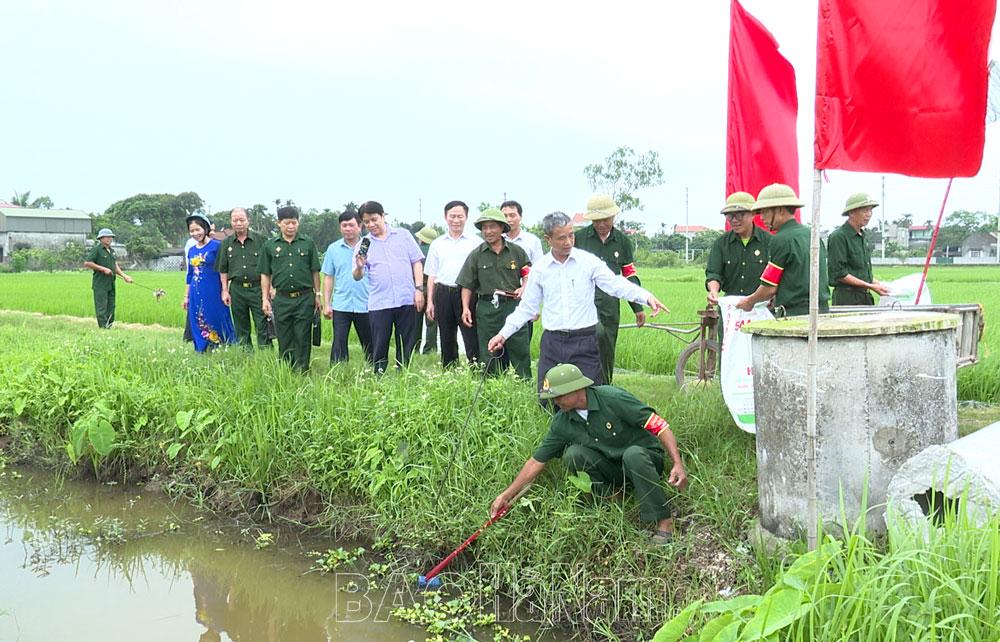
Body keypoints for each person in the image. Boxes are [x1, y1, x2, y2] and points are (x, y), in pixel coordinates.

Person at [490, 363, 688, 544]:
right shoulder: (562, 421)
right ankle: (612, 500)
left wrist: (677, 464)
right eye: (553, 398)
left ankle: (664, 522)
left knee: (633, 454)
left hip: (643, 462)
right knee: (573, 455)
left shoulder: (613, 398)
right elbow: (536, 461)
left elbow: (659, 426)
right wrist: (507, 494)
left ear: (577, 389)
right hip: (612, 468)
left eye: (559, 396)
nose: (556, 402)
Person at [487, 212, 668, 394]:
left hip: (585, 340)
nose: (568, 242)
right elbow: (527, 308)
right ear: (548, 239)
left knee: (589, 397)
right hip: (553, 342)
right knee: (548, 397)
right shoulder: (540, 269)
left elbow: (615, 284)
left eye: (571, 235)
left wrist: (646, 297)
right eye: (561, 238)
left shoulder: (587, 262)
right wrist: (503, 335)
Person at [574, 194, 645, 384]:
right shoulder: (578, 239)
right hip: (583, 302)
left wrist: (637, 307)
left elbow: (629, 275)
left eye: (605, 219)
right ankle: (581, 385)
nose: (601, 224)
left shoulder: (622, 241)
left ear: (613, 217)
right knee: (589, 339)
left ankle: (604, 386)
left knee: (607, 346)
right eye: (596, 220)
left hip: (610, 304)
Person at [457, 208, 532, 379]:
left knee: (520, 348)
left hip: (513, 306)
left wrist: (524, 287)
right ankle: (492, 386)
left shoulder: (516, 251)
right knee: (489, 351)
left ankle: (525, 384)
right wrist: (465, 308)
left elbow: (528, 271)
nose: (488, 231)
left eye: (492, 227)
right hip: (487, 308)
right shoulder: (476, 255)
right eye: (484, 228)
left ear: (502, 228)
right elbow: (467, 285)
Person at [352, 201, 426, 374]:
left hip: (405, 299)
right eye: (366, 222)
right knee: (380, 343)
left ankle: (404, 374)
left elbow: (416, 262)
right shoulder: (364, 244)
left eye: (374, 219)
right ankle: (379, 374)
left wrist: (419, 289)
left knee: (405, 342)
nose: (371, 225)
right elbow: (356, 277)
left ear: (383, 216)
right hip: (379, 302)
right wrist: (360, 266)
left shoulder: (403, 235)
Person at [736, 183, 829, 317]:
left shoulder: (780, 240)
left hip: (794, 315)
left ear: (780, 210)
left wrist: (749, 301)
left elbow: (769, 288)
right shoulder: (813, 235)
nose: (761, 218)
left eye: (765, 212)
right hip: (821, 312)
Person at [259, 206, 322, 371]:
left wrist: (318, 294)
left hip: (305, 297)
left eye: (294, 223)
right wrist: (265, 299)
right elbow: (265, 274)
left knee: (303, 335)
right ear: (278, 223)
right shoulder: (270, 246)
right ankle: (287, 368)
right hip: (281, 298)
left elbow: (314, 270)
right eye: (287, 223)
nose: (291, 227)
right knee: (284, 335)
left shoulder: (307, 243)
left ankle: (302, 368)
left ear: (298, 223)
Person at [425, 200, 481, 368]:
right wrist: (430, 302)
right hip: (443, 293)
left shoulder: (475, 242)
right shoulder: (437, 243)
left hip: (468, 292)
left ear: (466, 217)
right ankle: (449, 369)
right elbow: (432, 275)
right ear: (445, 217)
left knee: (470, 333)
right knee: (446, 334)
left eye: (460, 216)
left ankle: (476, 368)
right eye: (452, 216)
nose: (456, 220)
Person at [321, 209, 372, 364]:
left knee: (370, 341)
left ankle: (375, 370)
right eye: (344, 226)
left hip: (366, 303)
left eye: (351, 225)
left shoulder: (369, 245)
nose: (348, 229)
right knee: (339, 341)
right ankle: (338, 371)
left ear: (360, 226)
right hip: (342, 304)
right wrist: (327, 304)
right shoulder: (333, 249)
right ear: (340, 227)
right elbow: (328, 277)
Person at [217, 207, 271, 349]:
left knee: (262, 323)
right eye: (235, 220)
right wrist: (224, 290)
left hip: (258, 288)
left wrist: (271, 288)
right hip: (237, 289)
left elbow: (270, 267)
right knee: (241, 325)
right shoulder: (226, 243)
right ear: (231, 222)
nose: (238, 223)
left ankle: (266, 352)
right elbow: (223, 269)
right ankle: (245, 352)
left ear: (248, 221)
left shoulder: (261, 240)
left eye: (242, 220)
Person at [705, 192, 771, 303]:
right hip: (731, 307)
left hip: (761, 306)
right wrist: (713, 291)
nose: (734, 220)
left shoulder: (769, 242)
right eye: (730, 216)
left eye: (740, 215)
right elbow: (714, 273)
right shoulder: (721, 243)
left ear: (753, 214)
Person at [183, 214, 236, 352]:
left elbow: (224, 269)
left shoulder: (217, 246)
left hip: (213, 288)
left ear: (205, 228)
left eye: (198, 229)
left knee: (216, 314)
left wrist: (225, 289)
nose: (195, 233)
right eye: (192, 231)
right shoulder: (192, 250)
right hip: (196, 289)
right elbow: (189, 274)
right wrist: (186, 296)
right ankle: (202, 347)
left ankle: (223, 344)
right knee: (198, 316)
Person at [827, 193, 890, 305]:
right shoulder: (839, 237)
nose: (869, 215)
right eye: (865, 211)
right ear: (851, 213)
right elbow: (839, 273)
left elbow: (861, 272)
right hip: (847, 298)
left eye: (870, 210)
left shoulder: (862, 236)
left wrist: (878, 284)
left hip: (865, 297)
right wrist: (871, 286)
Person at [82, 228, 132, 328]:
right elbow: (87, 263)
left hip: (111, 283)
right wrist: (103, 269)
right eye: (107, 237)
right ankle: (103, 328)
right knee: (102, 307)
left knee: (111, 306)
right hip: (100, 284)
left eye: (111, 237)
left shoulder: (112, 251)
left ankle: (109, 326)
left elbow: (114, 265)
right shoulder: (97, 250)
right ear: (101, 238)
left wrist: (124, 276)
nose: (109, 238)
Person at [414, 226, 439, 354]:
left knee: (415, 323)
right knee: (432, 322)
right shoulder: (436, 251)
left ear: (421, 239)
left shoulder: (416, 252)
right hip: (433, 290)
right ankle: (430, 350)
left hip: (417, 289)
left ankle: (414, 349)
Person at [501, 200, 544, 264]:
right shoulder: (497, 240)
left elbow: (539, 267)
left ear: (520, 217)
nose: (508, 219)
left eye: (512, 215)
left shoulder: (533, 241)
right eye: (505, 216)